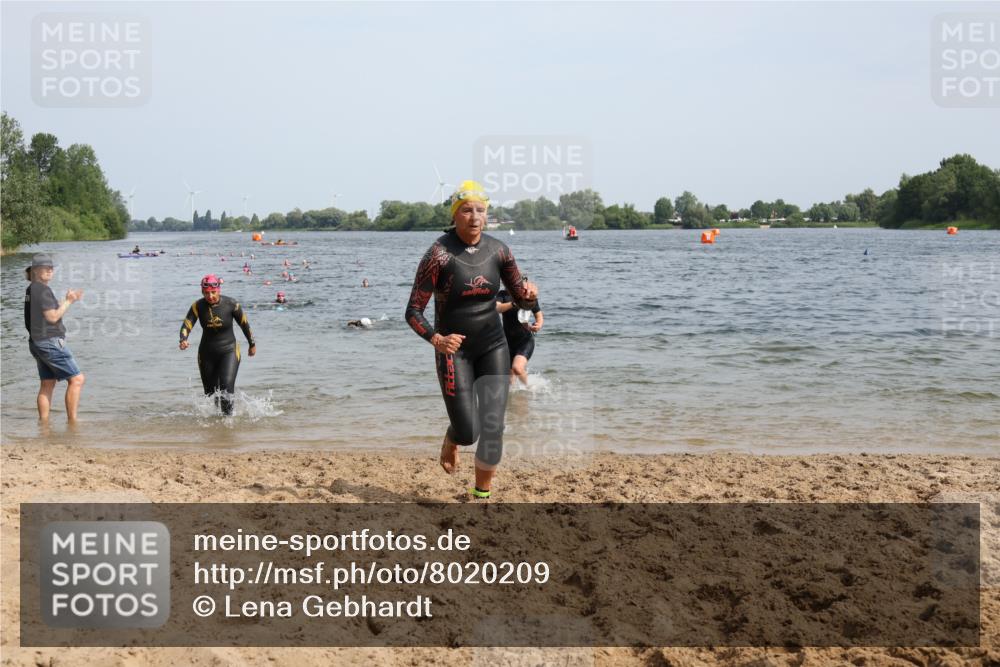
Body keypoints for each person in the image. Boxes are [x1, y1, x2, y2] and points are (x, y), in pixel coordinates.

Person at [406, 180, 538, 499]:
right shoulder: (438, 254)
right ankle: (452, 438)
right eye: (467, 210)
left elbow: (522, 299)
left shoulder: (499, 250)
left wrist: (531, 298)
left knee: (494, 426)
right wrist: (437, 339)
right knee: (469, 432)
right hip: (455, 350)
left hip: (493, 344)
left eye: (481, 210)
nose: (475, 216)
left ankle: (482, 494)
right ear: (456, 215)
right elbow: (413, 311)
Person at [178, 274, 256, 415]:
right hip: (206, 353)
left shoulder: (231, 304)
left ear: (218, 290)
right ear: (202, 292)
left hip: (229, 351)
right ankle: (217, 427)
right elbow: (187, 323)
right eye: (207, 293)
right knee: (211, 393)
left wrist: (252, 344)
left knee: (226, 389)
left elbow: (244, 324)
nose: (211, 296)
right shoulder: (198, 306)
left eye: (213, 292)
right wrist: (183, 339)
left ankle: (228, 421)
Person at [23, 254, 86, 421]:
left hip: (36, 342)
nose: (50, 270)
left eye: (51, 267)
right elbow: (52, 317)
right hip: (49, 342)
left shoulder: (31, 289)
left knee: (47, 383)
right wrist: (69, 301)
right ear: (36, 270)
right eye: (46, 267)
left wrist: (65, 301)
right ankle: (73, 422)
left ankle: (43, 424)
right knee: (77, 379)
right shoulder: (42, 290)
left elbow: (43, 314)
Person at [496, 286, 543, 385]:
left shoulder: (528, 297)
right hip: (507, 342)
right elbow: (497, 308)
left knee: (517, 368)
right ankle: (517, 398)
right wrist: (514, 303)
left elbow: (539, 317)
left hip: (525, 341)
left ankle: (529, 389)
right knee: (510, 381)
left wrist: (538, 325)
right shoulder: (502, 294)